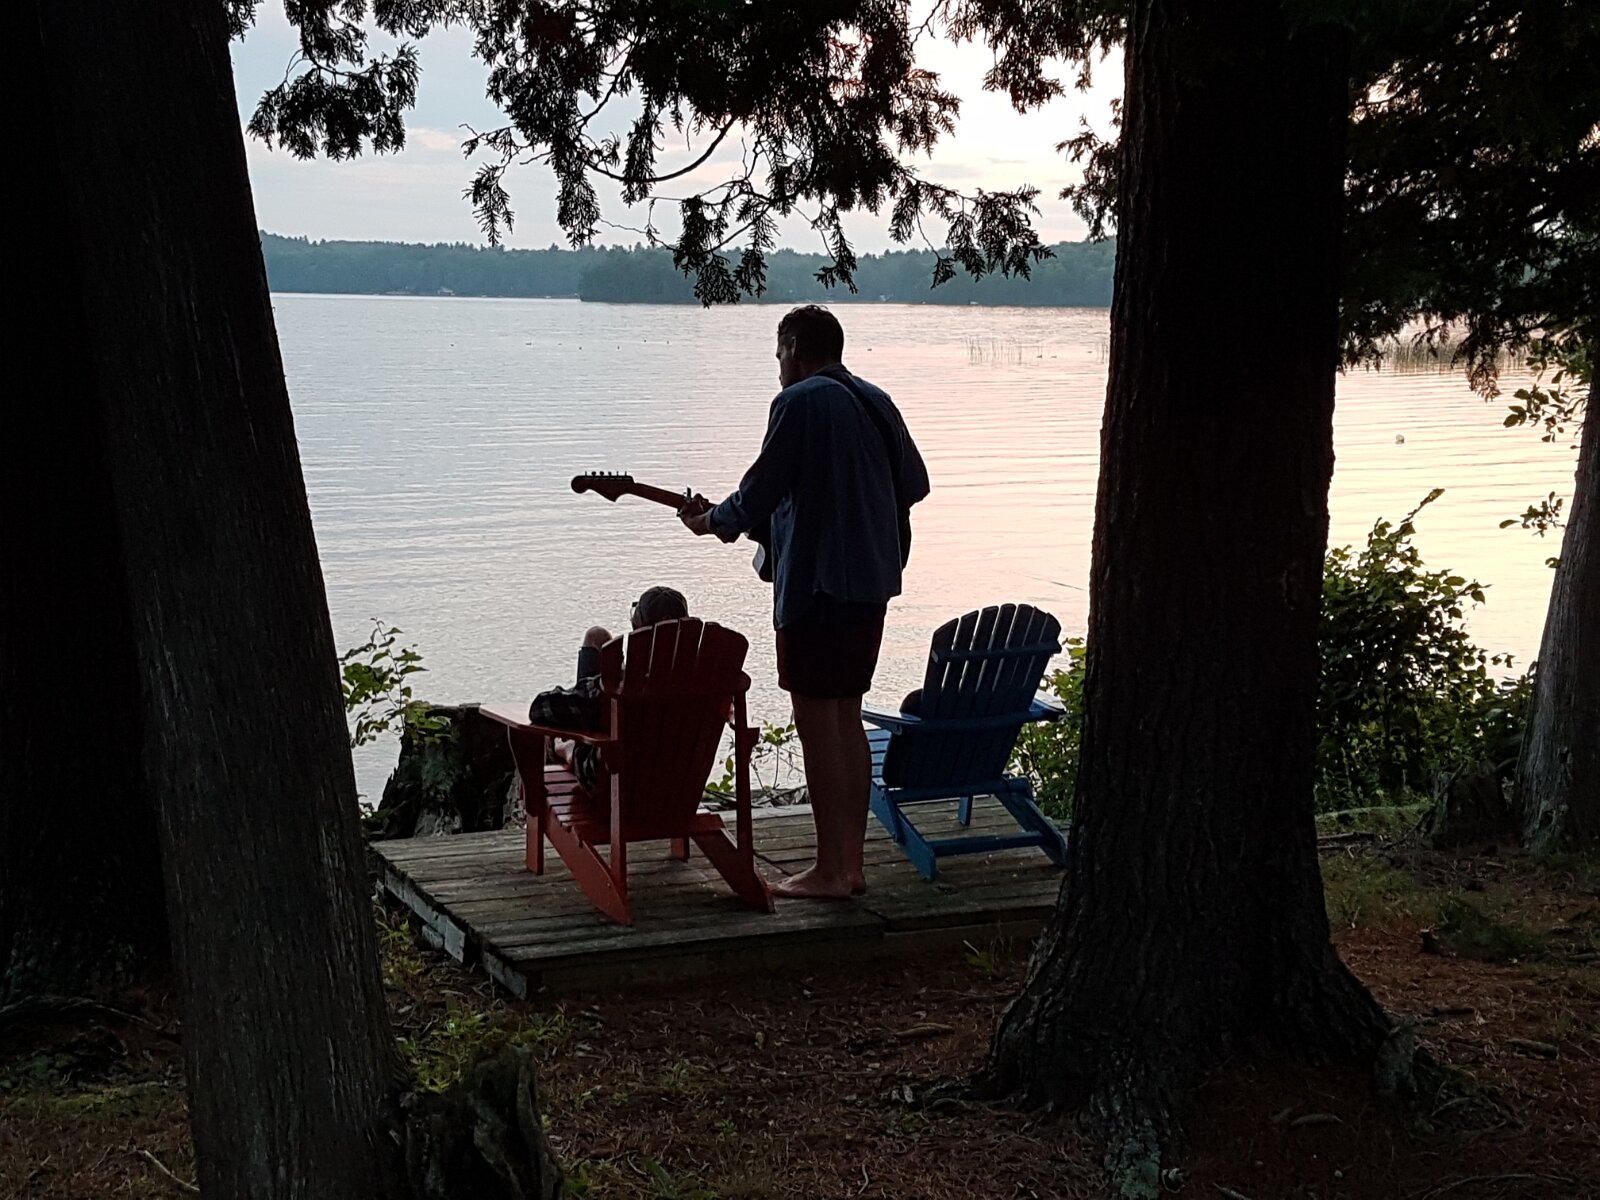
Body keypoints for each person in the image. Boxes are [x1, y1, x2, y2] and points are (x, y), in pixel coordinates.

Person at [681, 305, 929, 899]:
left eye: (778, 354)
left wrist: (712, 521)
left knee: (816, 722)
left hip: (816, 587)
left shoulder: (797, 402)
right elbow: (914, 484)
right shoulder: (877, 400)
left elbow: (758, 493)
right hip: (872, 583)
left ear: (794, 346)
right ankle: (851, 865)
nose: (777, 366)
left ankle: (829, 871)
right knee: (845, 717)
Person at [527, 585, 689, 790]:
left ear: (638, 629)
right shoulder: (705, 679)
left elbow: (540, 708)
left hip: (615, 786)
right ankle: (572, 744)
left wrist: (610, 679)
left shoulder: (621, 686)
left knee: (576, 728)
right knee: (598, 636)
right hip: (678, 788)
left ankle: (568, 748)